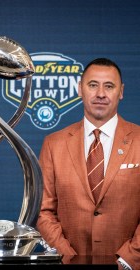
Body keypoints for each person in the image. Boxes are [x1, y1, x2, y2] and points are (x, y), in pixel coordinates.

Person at [36, 58, 140, 270]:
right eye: (93, 85)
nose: (100, 93)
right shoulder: (53, 144)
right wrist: (65, 256)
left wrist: (128, 260)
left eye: (109, 86)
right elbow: (42, 211)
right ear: (79, 89)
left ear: (121, 91)